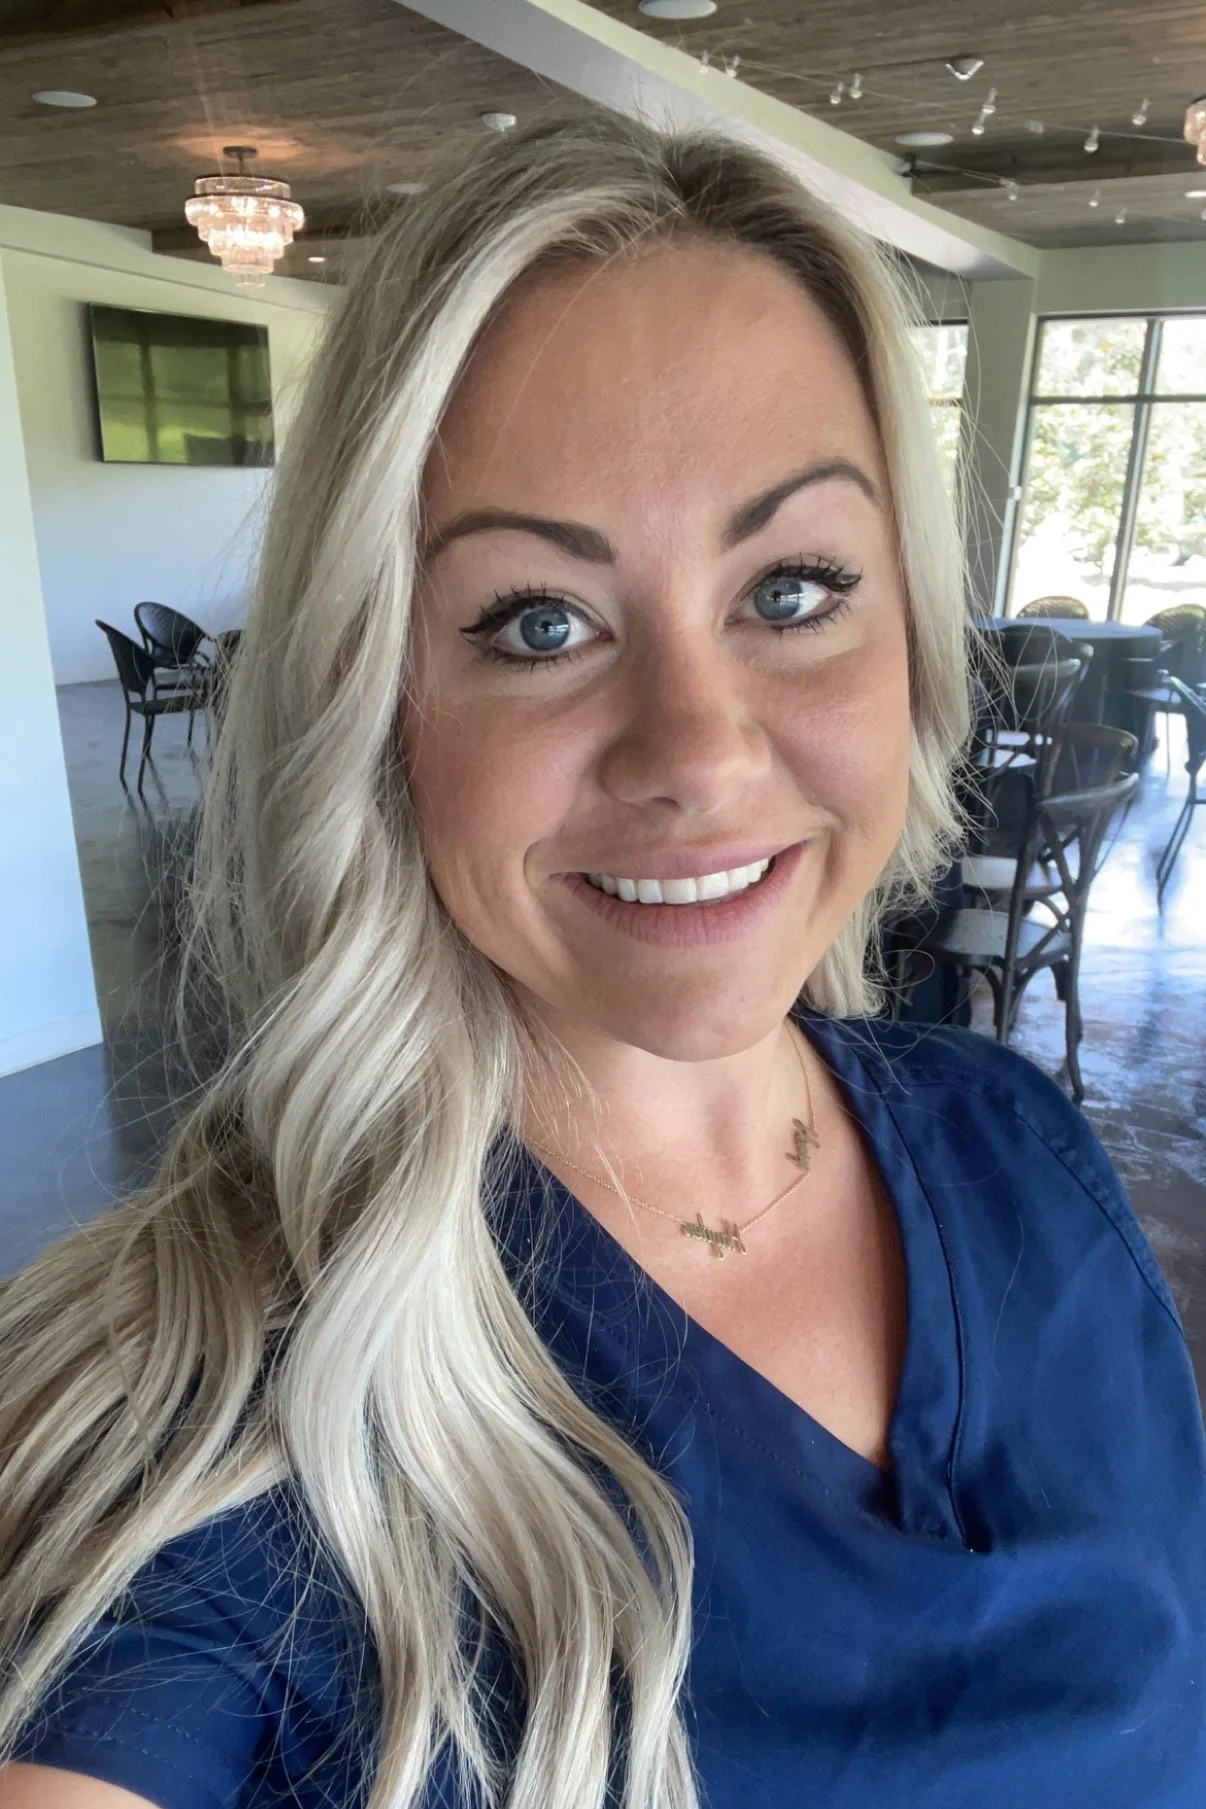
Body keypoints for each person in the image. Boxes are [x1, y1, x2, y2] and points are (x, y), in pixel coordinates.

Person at [1, 113, 1203, 1809]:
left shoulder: (1024, 1144)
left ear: (912, 637)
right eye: (537, 622)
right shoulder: (210, 1405)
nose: (696, 751)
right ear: (377, 706)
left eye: (791, 588)